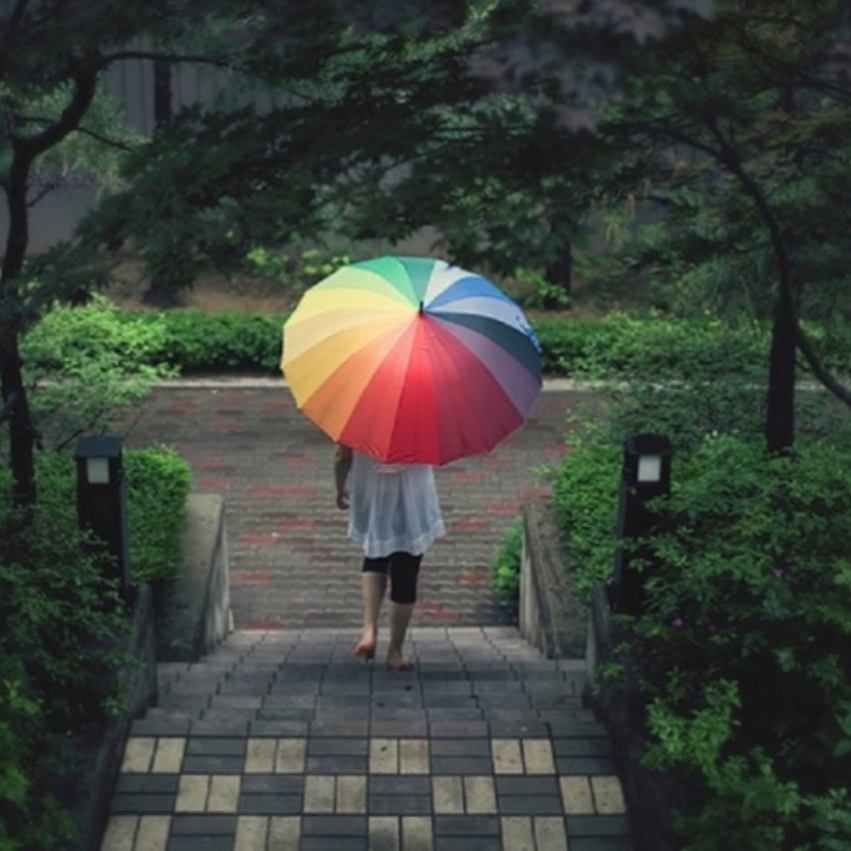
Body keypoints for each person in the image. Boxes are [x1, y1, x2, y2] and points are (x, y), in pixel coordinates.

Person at [334, 443, 446, 671]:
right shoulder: (424, 412)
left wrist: (339, 488)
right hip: (414, 497)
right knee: (406, 569)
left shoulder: (359, 411)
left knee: (374, 556)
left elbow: (342, 456)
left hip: (373, 495)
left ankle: (369, 630)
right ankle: (395, 652)